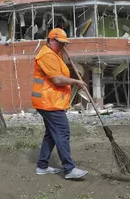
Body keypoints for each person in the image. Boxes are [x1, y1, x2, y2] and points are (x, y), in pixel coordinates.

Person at [31, 28, 88, 179]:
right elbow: (57, 79)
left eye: (64, 44)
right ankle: (69, 169)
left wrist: (61, 51)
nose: (63, 46)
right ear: (51, 40)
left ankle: (42, 166)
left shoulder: (54, 53)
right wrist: (77, 81)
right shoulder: (47, 55)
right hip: (48, 102)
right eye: (60, 43)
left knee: (51, 134)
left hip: (50, 101)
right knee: (62, 132)